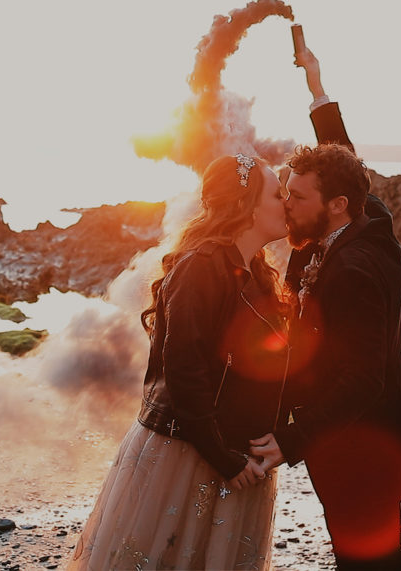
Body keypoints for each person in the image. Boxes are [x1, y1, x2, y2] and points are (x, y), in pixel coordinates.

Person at [250, 47, 401, 571]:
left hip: (363, 449)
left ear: (336, 207)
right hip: (354, 441)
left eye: (297, 198)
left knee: (368, 561)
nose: (286, 205)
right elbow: (346, 163)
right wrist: (316, 87)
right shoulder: (361, 218)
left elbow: (361, 380)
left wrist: (291, 439)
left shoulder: (354, 270)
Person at [69, 153, 291, 571]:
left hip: (239, 455)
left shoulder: (259, 275)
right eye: (278, 195)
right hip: (190, 451)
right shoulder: (201, 268)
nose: (287, 205)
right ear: (247, 206)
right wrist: (222, 457)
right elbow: (183, 369)